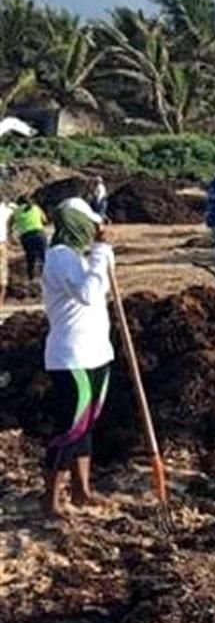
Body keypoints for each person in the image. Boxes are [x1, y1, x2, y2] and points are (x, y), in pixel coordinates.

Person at [41, 197, 114, 518]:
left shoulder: (81, 257)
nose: (96, 230)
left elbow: (98, 290)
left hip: (97, 352)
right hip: (71, 357)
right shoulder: (59, 257)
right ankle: (51, 500)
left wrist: (101, 257)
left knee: (85, 427)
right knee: (69, 428)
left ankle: (82, 491)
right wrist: (100, 254)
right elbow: (86, 294)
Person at [13, 196, 49, 281]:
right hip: (39, 234)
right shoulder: (36, 208)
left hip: (26, 237)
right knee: (44, 257)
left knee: (30, 258)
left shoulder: (16, 211)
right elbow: (45, 220)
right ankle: (46, 278)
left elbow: (12, 224)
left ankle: (31, 278)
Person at [0, 198, 15, 308]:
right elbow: (16, 209)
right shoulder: (5, 210)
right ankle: (0, 302)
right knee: (3, 272)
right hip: (1, 244)